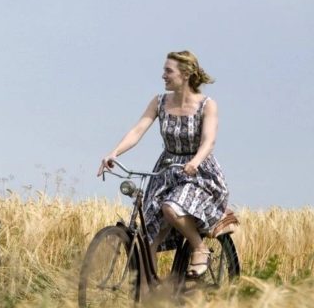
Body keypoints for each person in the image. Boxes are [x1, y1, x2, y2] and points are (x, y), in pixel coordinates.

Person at [97, 50, 229, 279]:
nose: (163, 76)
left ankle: (199, 248)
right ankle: (151, 299)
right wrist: (114, 153)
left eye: (168, 71)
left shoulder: (207, 105)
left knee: (171, 207)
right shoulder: (159, 102)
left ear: (186, 74)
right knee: (147, 236)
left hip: (199, 174)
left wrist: (195, 161)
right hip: (166, 170)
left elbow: (209, 141)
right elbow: (138, 130)